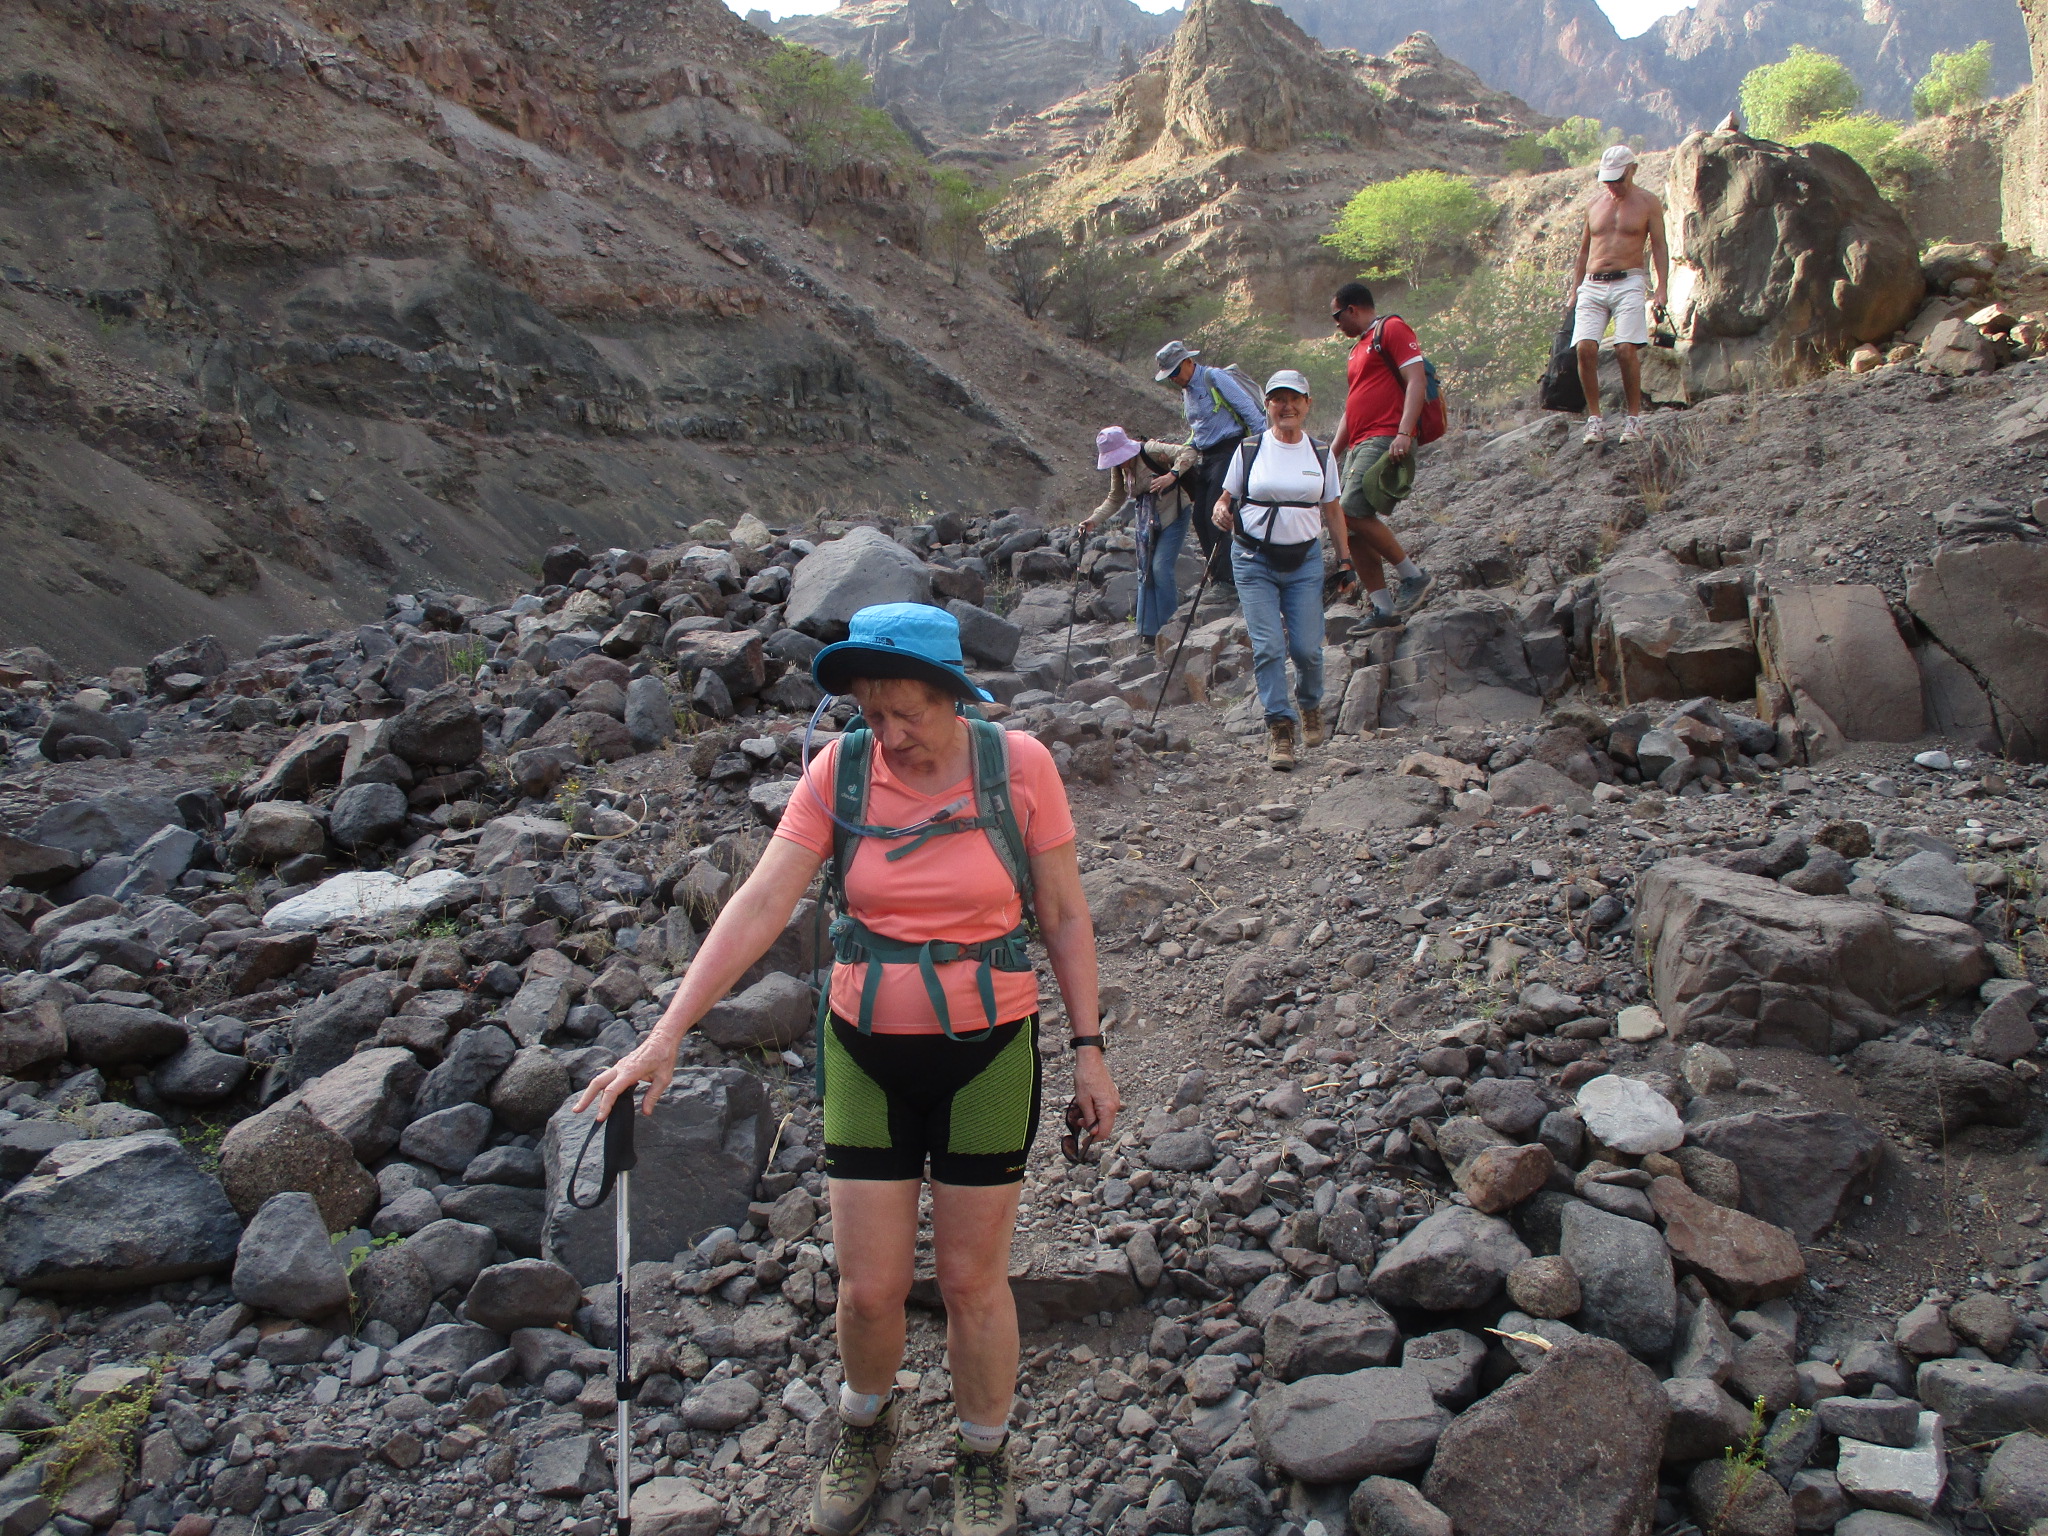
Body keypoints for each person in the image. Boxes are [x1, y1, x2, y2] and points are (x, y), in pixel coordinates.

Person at [573, 603, 1119, 1536]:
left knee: (970, 1282)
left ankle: (983, 1452)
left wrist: (1089, 1051)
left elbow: (1065, 916)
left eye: (909, 712)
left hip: (990, 1054)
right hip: (864, 1053)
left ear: (954, 697)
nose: (890, 735)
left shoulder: (1020, 767)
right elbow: (761, 903)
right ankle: (864, 1427)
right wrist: (666, 1034)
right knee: (867, 1289)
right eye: (872, 714)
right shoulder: (840, 773)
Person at [1212, 370, 1353, 771]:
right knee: (1269, 646)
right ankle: (1280, 729)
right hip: (1253, 559)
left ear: (1308, 404)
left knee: (1307, 649)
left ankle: (1309, 704)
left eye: (1295, 399)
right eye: (1278, 399)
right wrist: (1220, 510)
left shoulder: (1321, 454)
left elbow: (1332, 510)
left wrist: (1345, 561)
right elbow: (1225, 498)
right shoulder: (1250, 449)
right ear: (1268, 405)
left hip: (1304, 561)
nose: (1287, 406)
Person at [1330, 281, 1434, 632]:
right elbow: (1352, 406)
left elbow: (1416, 379)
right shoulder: (1357, 349)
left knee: (1348, 509)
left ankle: (1413, 576)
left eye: (1337, 316)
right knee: (1347, 525)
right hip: (1358, 442)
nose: (1336, 325)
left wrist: (1404, 432)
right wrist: (1331, 453)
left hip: (1385, 434)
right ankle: (1383, 609)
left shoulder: (1391, 329)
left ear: (1352, 309)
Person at [1568, 143, 1669, 445]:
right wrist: (1574, 290)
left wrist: (1661, 288)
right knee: (1585, 348)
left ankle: (1633, 418)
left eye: (1618, 179)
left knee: (1626, 348)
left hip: (1629, 280)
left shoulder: (1648, 203)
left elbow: (1659, 245)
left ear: (1632, 170)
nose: (1613, 186)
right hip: (1593, 282)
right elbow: (1584, 250)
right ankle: (1595, 419)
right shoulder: (1594, 204)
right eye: (1608, 180)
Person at [1154, 339, 1268, 589]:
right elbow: (1200, 432)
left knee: (1216, 514)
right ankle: (1218, 575)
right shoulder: (1187, 392)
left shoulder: (1214, 378)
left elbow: (1250, 412)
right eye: (1169, 375)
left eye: (1175, 371)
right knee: (1199, 518)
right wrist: (1179, 455)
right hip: (1208, 457)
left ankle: (1229, 581)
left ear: (1188, 361)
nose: (1174, 378)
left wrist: (1263, 450)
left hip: (1230, 450)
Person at [1081, 426, 1201, 653]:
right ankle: (1148, 633)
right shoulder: (1120, 469)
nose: (1119, 463)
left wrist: (1171, 476)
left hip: (1174, 513)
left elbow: (1189, 452)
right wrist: (1092, 521)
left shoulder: (1150, 450)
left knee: (1160, 567)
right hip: (1148, 521)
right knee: (1145, 570)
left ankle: (1170, 630)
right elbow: (1115, 498)